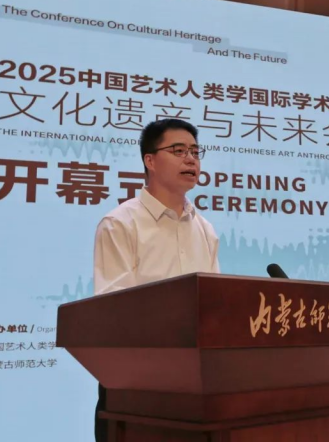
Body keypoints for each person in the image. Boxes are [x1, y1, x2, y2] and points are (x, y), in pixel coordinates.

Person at [92, 118, 220, 441]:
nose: (190, 159)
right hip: (136, 385)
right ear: (149, 160)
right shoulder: (120, 223)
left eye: (195, 152)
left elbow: (215, 304)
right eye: (178, 151)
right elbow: (113, 311)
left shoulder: (205, 229)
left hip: (195, 385)